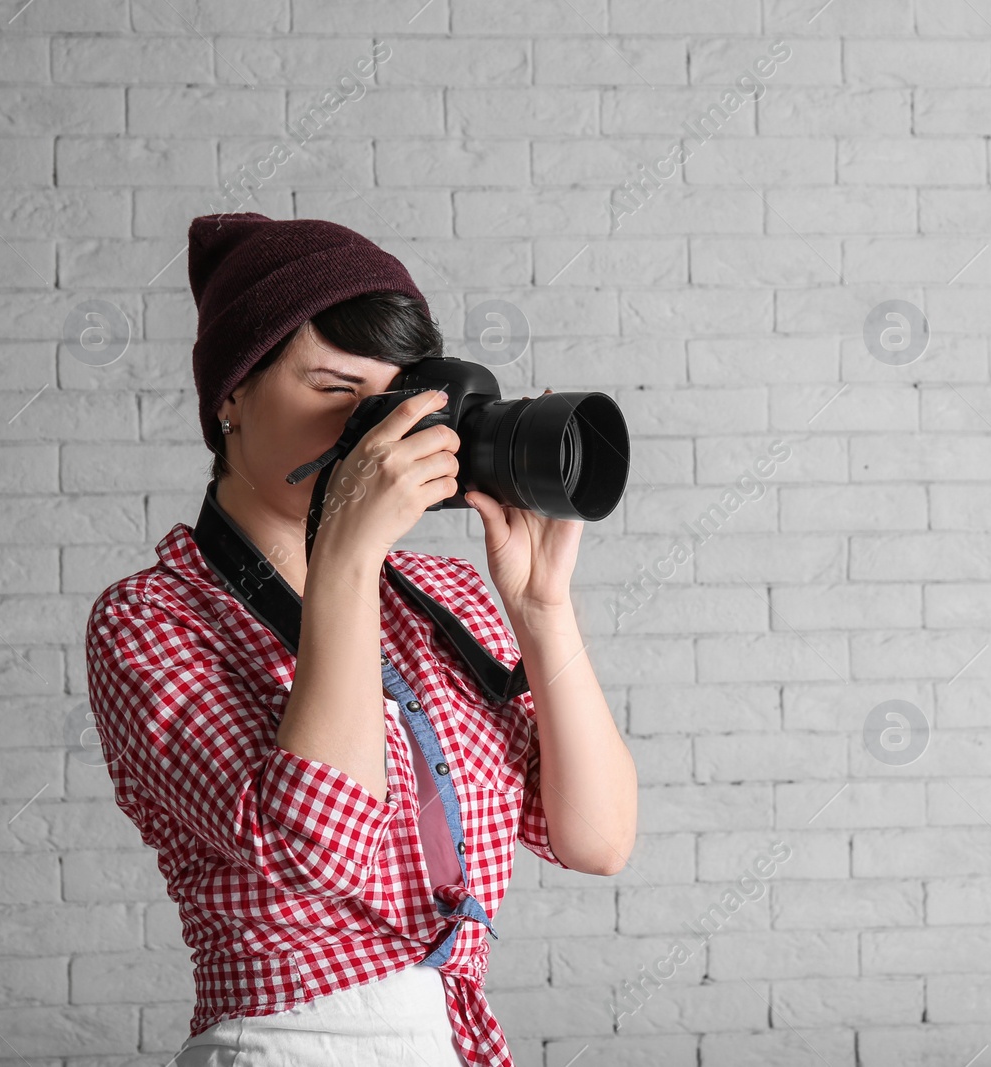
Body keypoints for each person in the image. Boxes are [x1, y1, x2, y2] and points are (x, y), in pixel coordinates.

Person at [82, 213, 637, 1067]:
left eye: (388, 403)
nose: (369, 436)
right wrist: (342, 556)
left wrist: (541, 609)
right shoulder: (152, 618)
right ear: (231, 394)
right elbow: (322, 849)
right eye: (338, 391)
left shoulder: (442, 600)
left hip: (452, 1041)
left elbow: (596, 840)